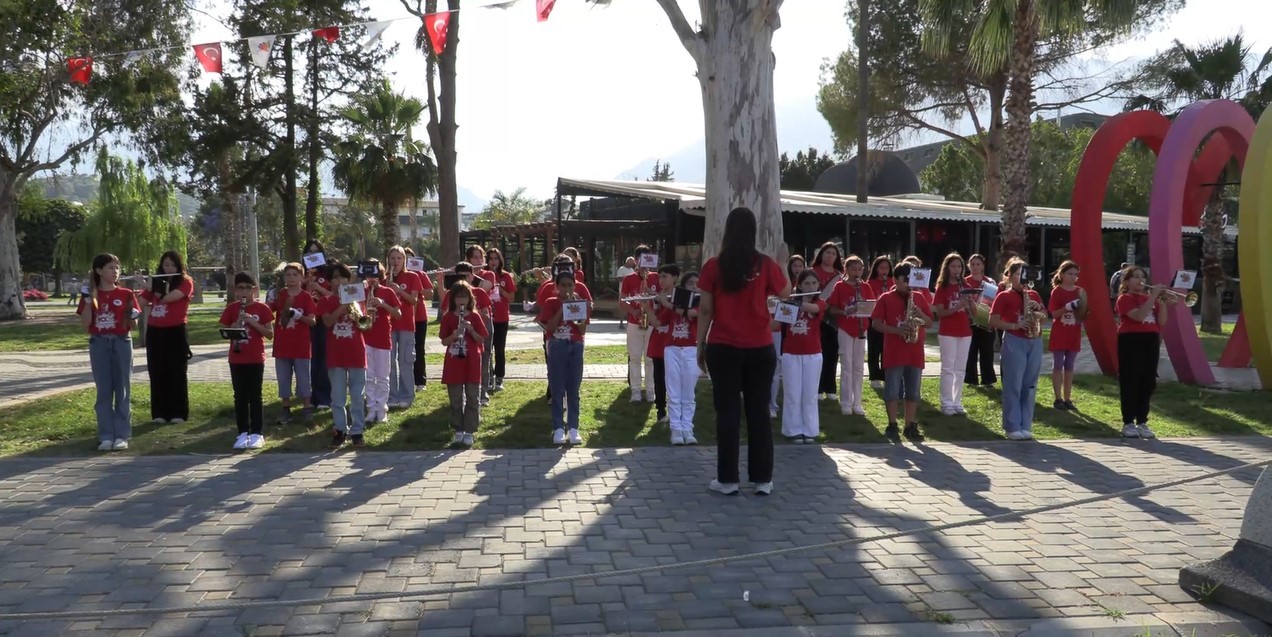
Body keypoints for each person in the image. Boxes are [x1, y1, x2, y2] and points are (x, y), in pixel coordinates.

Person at [697, 207, 787, 496]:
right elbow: (785, 294)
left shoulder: (713, 266)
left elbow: (706, 310)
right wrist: (782, 263)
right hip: (760, 347)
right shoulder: (765, 264)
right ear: (754, 231)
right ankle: (762, 479)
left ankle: (728, 480)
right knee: (759, 412)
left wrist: (700, 343)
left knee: (727, 413)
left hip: (723, 346)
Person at [78, 253, 140, 452]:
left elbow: (134, 324)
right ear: (99, 270)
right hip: (99, 344)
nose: (115, 272)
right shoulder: (91, 295)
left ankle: (122, 435)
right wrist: (88, 302)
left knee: (122, 389)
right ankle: (105, 435)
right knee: (104, 391)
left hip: (121, 342)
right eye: (110, 268)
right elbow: (86, 324)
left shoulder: (126, 294)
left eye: (117, 268)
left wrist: (133, 316)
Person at [870, 262, 934, 443]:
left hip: (915, 351)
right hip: (894, 351)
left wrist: (920, 312)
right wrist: (897, 331)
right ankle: (892, 424)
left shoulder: (919, 297)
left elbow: (929, 323)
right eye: (905, 280)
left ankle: (910, 425)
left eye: (911, 280)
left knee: (913, 392)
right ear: (895, 279)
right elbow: (875, 324)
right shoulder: (886, 298)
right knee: (891, 390)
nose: (909, 284)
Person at [988, 258, 1047, 441]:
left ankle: (1025, 425)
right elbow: (992, 321)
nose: (1022, 279)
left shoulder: (1034, 295)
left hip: (1034, 340)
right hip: (1015, 339)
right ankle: (1012, 426)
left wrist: (1038, 310)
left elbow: (1044, 317)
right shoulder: (1004, 296)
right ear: (1010, 276)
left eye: (1025, 274)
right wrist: (1014, 325)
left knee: (1029, 385)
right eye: (1018, 274)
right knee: (1013, 385)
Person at [219, 272, 275, 450]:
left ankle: (257, 433)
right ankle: (242, 432)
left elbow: (270, 334)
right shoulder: (232, 308)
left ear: (255, 290)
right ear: (236, 290)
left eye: (247, 288)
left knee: (255, 396)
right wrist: (234, 327)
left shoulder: (262, 309)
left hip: (255, 358)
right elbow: (224, 331)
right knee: (240, 397)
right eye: (240, 288)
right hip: (236, 358)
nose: (244, 292)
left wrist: (252, 322)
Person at [138, 250, 194, 424]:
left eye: (172, 265)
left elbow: (168, 298)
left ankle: (178, 412)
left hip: (176, 331)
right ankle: (159, 413)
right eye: (166, 264)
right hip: (155, 331)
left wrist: (149, 287)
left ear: (179, 266)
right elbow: (139, 303)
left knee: (176, 371)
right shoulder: (155, 282)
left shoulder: (186, 282)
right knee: (156, 371)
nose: (168, 268)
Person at [536, 270, 591, 445]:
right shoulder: (551, 302)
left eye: (570, 285)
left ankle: (573, 428)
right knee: (558, 388)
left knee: (573, 388)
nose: (567, 289)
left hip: (575, 344)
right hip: (557, 344)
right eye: (563, 285)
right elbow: (549, 328)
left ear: (575, 286)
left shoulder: (580, 302)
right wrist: (562, 308)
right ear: (557, 287)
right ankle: (558, 428)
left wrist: (578, 312)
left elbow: (582, 330)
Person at [318, 262, 369, 448]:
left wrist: (355, 309)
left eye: (342, 277)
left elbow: (365, 325)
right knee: (338, 397)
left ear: (349, 280)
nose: (339, 281)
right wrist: (342, 306)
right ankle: (340, 430)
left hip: (356, 352)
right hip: (336, 355)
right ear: (330, 282)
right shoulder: (325, 301)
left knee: (357, 395)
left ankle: (357, 431)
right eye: (335, 278)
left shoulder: (358, 299)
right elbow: (328, 322)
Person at [1115, 266, 1166, 439]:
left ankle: (1142, 421)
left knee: (1148, 381)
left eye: (1142, 277)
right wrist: (1153, 297)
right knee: (1131, 380)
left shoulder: (1150, 298)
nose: (1139, 280)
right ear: (1127, 281)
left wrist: (1163, 301)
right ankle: (1128, 422)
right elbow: (1138, 316)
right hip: (1131, 340)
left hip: (1150, 339)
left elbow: (1162, 320)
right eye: (1135, 277)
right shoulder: (1124, 298)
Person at [535, 255, 594, 404]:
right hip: (554, 335)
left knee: (573, 367)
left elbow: (590, 305)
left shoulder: (579, 286)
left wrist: (580, 304)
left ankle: (572, 393)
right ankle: (553, 393)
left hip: (574, 335)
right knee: (553, 364)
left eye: (567, 265)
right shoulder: (549, 286)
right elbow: (542, 308)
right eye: (560, 266)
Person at [779, 270, 828, 444]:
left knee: (809, 394)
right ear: (799, 285)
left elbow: (813, 309)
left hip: (813, 354)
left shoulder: (820, 303)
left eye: (814, 284)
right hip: (791, 354)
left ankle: (810, 430)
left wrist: (793, 301)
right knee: (792, 393)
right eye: (807, 283)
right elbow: (777, 325)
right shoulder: (790, 303)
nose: (811, 287)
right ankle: (793, 430)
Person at [439, 280, 488, 448]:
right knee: (456, 399)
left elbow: (482, 339)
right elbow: (444, 342)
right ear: (453, 299)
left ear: (469, 298)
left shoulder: (474, 316)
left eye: (464, 297)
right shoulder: (448, 317)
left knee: (473, 397)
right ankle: (458, 429)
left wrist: (471, 329)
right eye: (458, 297)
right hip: (454, 362)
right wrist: (454, 334)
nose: (461, 300)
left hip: (472, 361)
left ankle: (470, 430)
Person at [827, 255, 875, 416]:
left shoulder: (865, 286)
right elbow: (831, 309)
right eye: (853, 269)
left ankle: (857, 402)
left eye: (860, 269)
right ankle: (846, 402)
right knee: (847, 365)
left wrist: (865, 309)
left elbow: (872, 307)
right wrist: (845, 311)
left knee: (859, 366)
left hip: (861, 328)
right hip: (846, 328)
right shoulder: (840, 286)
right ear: (846, 269)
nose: (857, 272)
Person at [270, 262, 317, 424]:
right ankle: (286, 408)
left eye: (295, 275)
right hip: (282, 344)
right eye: (288, 275)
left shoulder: (306, 297)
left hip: (301, 345)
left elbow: (312, 321)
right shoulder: (280, 294)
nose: (291, 278)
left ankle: (306, 407)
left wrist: (298, 316)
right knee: (283, 378)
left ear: (302, 277)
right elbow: (269, 311)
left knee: (303, 377)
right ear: (284, 278)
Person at [657, 270, 700, 445]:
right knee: (674, 391)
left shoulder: (701, 301)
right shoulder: (675, 302)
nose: (695, 287)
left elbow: (691, 315)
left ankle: (688, 428)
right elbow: (658, 322)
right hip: (672, 349)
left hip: (691, 349)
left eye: (698, 284)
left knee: (688, 393)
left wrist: (666, 303)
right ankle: (676, 429)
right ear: (683, 286)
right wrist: (646, 308)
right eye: (691, 284)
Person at [932, 252, 973, 415]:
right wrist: (956, 307)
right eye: (953, 266)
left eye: (959, 266)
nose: (956, 269)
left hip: (965, 331)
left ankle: (957, 401)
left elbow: (974, 312)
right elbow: (940, 313)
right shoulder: (942, 287)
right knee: (948, 367)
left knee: (960, 369)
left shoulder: (966, 286)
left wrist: (970, 302)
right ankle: (946, 402)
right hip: (948, 331)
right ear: (947, 268)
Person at [362, 260, 402, 425]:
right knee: (369, 377)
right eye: (369, 276)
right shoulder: (361, 291)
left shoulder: (387, 292)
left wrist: (382, 304)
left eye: (376, 276)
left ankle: (382, 409)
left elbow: (398, 314)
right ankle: (371, 408)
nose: (373, 279)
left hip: (383, 339)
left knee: (383, 376)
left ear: (381, 276)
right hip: (365, 338)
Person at [384, 246, 423, 409]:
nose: (395, 262)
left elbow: (414, 300)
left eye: (399, 258)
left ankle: (407, 394)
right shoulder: (384, 278)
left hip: (406, 324)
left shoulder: (412, 276)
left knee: (406, 360)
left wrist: (398, 290)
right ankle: (392, 395)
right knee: (390, 361)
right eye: (392, 258)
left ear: (404, 260)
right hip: (389, 325)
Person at [621, 245, 660, 402]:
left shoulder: (656, 277)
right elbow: (621, 302)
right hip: (634, 322)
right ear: (636, 260)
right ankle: (636, 390)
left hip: (651, 322)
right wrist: (633, 310)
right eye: (642, 259)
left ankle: (651, 390)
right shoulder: (629, 279)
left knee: (651, 358)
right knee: (635, 357)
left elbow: (663, 298)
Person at [642, 264, 681, 424]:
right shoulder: (660, 295)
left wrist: (647, 308)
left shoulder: (677, 297)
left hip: (672, 340)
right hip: (659, 341)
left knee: (673, 378)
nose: (661, 280)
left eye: (665, 276)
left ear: (675, 278)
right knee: (659, 376)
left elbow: (657, 321)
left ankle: (676, 410)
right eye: (660, 276)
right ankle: (661, 410)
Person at [1048, 260, 1088, 410]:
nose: (1073, 277)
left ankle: (1067, 398)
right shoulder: (1057, 291)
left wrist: (1082, 309)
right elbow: (1053, 313)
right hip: (1060, 331)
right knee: (1058, 364)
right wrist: (1066, 307)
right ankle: (1058, 398)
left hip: (1074, 332)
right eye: (1070, 274)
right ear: (1062, 274)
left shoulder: (1080, 291)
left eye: (1075, 274)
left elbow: (1084, 314)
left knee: (1070, 365)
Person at [770, 254, 805, 418]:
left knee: (776, 368)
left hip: (776, 333)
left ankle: (772, 404)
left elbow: (785, 317)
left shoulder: (785, 291)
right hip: (755, 333)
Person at [809, 242, 843, 401]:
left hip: (834, 320)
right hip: (814, 317)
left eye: (833, 253)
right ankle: (818, 387)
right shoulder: (812, 272)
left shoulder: (840, 275)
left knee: (832, 354)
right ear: (821, 254)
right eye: (827, 252)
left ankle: (830, 388)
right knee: (817, 354)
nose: (830, 255)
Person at [480, 248, 517, 392]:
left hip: (501, 318)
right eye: (490, 259)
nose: (493, 261)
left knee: (499, 349)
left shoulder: (505, 276)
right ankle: (488, 378)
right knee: (486, 349)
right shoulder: (483, 276)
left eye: (496, 258)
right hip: (487, 316)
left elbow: (511, 298)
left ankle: (499, 378)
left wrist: (500, 290)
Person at [304, 239, 334, 410]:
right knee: (311, 360)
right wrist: (307, 285)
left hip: (324, 321)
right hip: (307, 321)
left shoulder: (328, 274)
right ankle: (312, 396)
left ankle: (324, 396)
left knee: (323, 359)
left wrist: (319, 288)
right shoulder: (302, 274)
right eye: (309, 252)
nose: (313, 255)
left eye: (316, 251)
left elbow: (336, 295)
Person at [466, 244, 498, 403]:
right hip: (465, 321)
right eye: (475, 257)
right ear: (469, 259)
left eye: (481, 257)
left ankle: (483, 392)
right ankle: (468, 391)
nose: (479, 260)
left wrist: (465, 277)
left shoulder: (489, 274)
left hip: (484, 320)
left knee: (485, 357)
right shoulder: (463, 274)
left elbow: (484, 288)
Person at [402, 247, 434, 392]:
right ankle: (404, 380)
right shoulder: (396, 276)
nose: (407, 262)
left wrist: (417, 285)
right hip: (401, 318)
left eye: (410, 259)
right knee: (402, 351)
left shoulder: (419, 274)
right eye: (405, 258)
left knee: (418, 349)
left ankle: (420, 380)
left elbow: (429, 293)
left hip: (419, 317)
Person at [964, 253, 998, 387]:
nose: (975, 267)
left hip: (986, 321)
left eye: (978, 264)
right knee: (971, 352)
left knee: (987, 352)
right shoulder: (964, 282)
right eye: (972, 264)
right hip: (969, 321)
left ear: (983, 266)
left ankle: (988, 380)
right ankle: (971, 380)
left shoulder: (990, 282)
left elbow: (995, 301)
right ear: (968, 266)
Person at [865, 255, 894, 389]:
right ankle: (874, 376)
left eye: (886, 268)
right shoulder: (870, 283)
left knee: (887, 349)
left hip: (889, 321)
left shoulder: (893, 282)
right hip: (874, 319)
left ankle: (885, 375)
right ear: (876, 268)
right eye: (881, 267)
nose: (884, 270)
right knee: (874, 349)